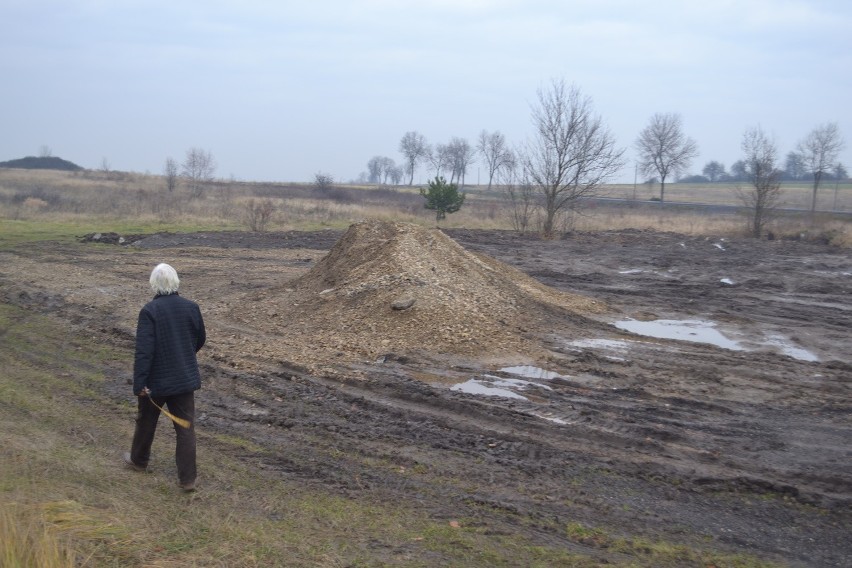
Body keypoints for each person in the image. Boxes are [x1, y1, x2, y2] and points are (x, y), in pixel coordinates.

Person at [124, 263, 206, 492]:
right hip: (183, 379)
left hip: (155, 382)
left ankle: (139, 461)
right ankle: (188, 480)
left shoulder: (149, 311)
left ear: (154, 285)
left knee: (146, 422)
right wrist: (183, 357)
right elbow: (199, 339)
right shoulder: (191, 307)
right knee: (186, 429)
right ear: (176, 281)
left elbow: (144, 351)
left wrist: (140, 383)